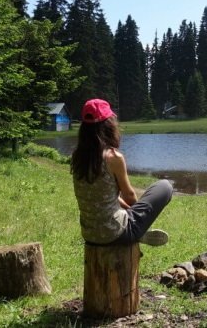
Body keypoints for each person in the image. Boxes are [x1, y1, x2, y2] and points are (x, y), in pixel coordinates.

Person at [71, 98, 172, 246]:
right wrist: (138, 216)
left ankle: (135, 231)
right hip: (116, 233)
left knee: (126, 212)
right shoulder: (113, 157)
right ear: (108, 126)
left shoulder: (78, 157)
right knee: (165, 186)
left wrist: (130, 210)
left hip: (90, 234)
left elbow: (102, 195)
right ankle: (136, 232)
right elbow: (130, 195)